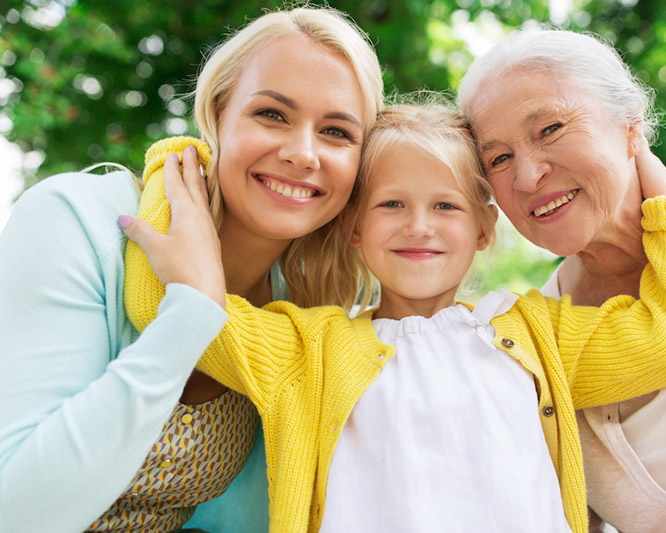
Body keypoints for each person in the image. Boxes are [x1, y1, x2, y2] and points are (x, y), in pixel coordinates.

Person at [122, 100, 666, 532]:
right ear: (355, 227)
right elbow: (163, 307)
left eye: (445, 205)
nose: (419, 225)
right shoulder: (306, 352)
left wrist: (661, 191)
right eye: (392, 204)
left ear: (484, 230)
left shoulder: (539, 333)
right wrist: (178, 163)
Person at [0, 6, 383, 532]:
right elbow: (19, 513)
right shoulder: (78, 221)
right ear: (218, 114)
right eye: (272, 114)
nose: (302, 152)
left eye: (337, 131)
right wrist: (193, 310)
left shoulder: (300, 318)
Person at [459, 26, 666, 532]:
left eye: (550, 128)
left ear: (630, 128)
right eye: (499, 158)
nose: (527, 176)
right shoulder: (533, 343)